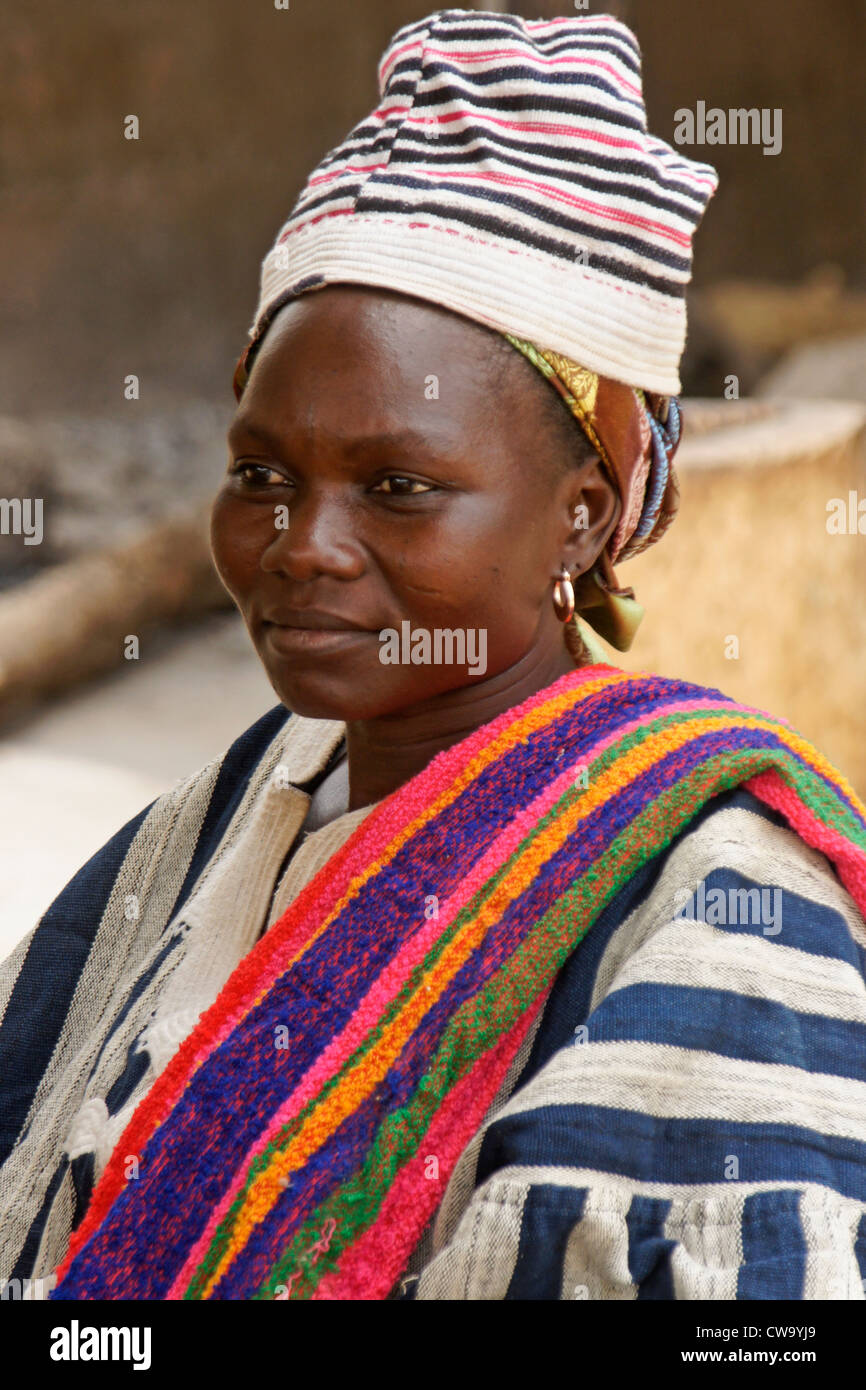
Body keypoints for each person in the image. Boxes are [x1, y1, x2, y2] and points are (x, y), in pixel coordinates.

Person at [3, 9, 866, 1302]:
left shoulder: (718, 909)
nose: (302, 544)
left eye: (398, 485)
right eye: (260, 474)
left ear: (579, 514)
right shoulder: (200, 841)